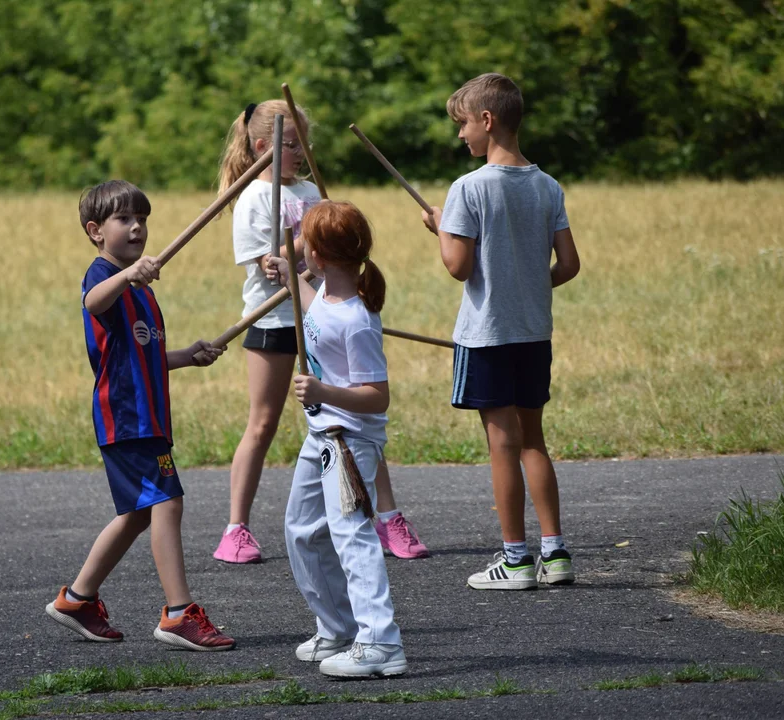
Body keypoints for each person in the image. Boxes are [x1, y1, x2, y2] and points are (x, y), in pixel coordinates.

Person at [213, 99, 428, 564]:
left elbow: (312, 253)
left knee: (354, 420)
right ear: (262, 146)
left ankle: (387, 518)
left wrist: (317, 234)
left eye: (305, 143)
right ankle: (236, 529)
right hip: (273, 319)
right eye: (291, 144)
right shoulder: (251, 197)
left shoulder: (311, 192)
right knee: (264, 421)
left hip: (325, 317)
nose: (301, 152)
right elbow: (270, 269)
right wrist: (309, 242)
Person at [45, 180, 236, 650]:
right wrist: (126, 277)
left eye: (143, 219)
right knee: (167, 502)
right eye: (124, 219)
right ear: (95, 231)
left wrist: (186, 356)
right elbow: (92, 302)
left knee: (137, 513)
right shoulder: (103, 275)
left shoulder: (141, 291)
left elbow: (142, 353)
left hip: (148, 416)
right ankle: (177, 613)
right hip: (127, 417)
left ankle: (77, 598)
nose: (137, 227)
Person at [421, 73, 581, 590]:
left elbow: (459, 267)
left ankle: (515, 560)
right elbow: (569, 264)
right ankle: (554, 555)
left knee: (501, 445)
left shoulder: (467, 189)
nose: (460, 135)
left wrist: (443, 228)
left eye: (463, 124)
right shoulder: (547, 184)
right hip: (534, 333)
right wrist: (531, 286)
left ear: (486, 121)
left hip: (487, 336)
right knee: (533, 438)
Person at [270, 201, 407, 678]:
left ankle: (381, 642)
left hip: (349, 441)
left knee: (352, 535)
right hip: (321, 438)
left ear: (322, 255)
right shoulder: (326, 295)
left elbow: (378, 397)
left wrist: (324, 390)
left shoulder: (358, 320)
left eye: (306, 242)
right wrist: (292, 274)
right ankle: (338, 626)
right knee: (301, 529)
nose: (301, 246)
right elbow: (312, 310)